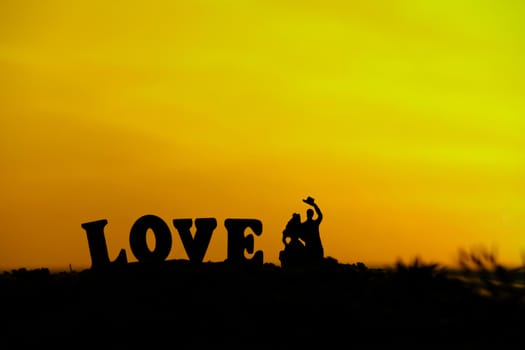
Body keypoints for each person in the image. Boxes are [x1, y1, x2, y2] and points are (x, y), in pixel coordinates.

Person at [300, 196, 324, 263]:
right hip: (314, 247)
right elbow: (320, 215)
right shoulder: (314, 223)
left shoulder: (305, 225)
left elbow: (300, 235)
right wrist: (314, 205)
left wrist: (314, 205)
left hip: (312, 247)